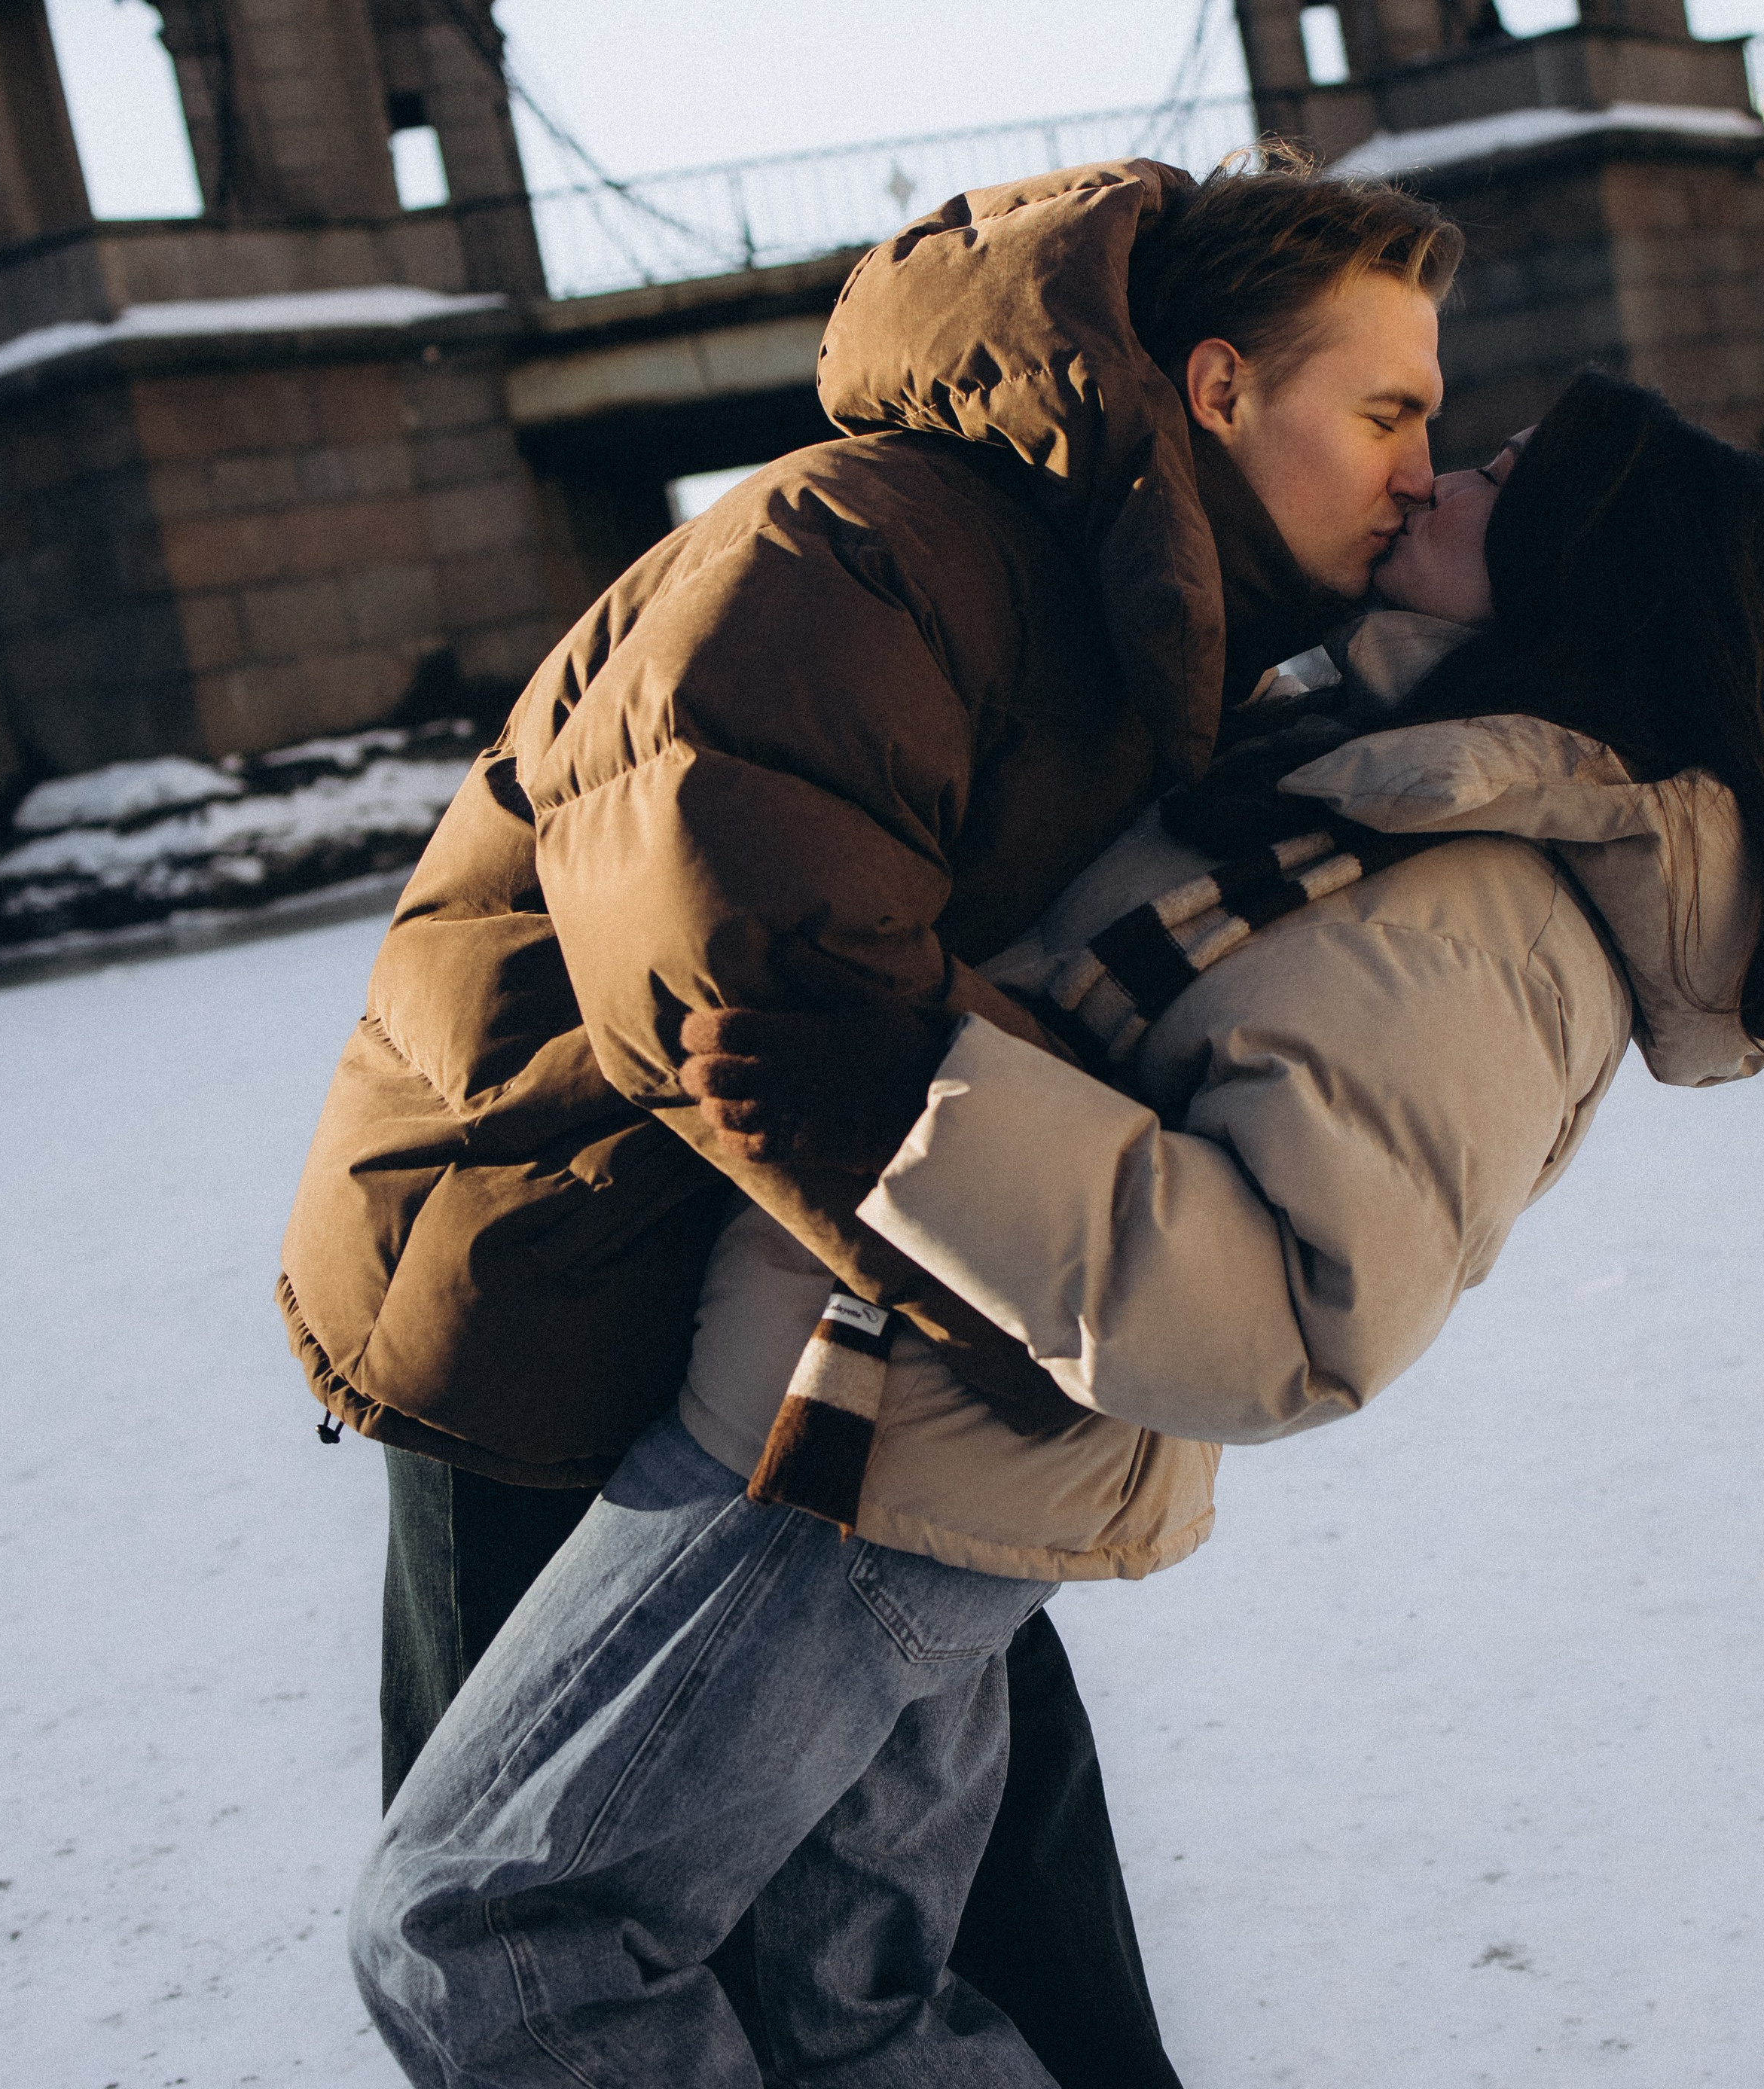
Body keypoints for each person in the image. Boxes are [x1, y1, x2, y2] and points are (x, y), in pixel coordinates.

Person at [346, 371, 1764, 2087]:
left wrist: (904, 1112)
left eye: (1496, 476)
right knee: (853, 2006)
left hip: (868, 1448)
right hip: (883, 1414)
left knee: (486, 1930)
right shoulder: (1376, 784)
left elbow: (1292, 1321)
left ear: (1586, 567)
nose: (1432, 480)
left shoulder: (1483, 913)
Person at [279, 151, 1463, 2089]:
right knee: (540, 1952)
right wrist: (1061, 1329)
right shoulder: (875, 545)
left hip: (826, 1321)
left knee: (931, 1949)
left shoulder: (1145, 603)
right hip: (569, 1306)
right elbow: (748, 976)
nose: (1423, 464)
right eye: (1390, 410)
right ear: (1225, 388)